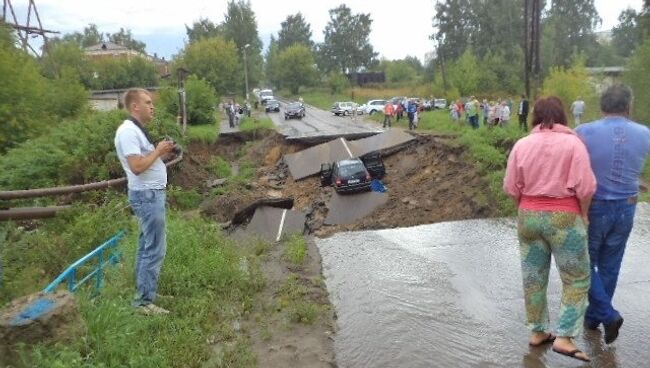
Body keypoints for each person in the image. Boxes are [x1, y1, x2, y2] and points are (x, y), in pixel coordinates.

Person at [503, 96, 596, 363]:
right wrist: (584, 213)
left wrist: (526, 208)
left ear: (534, 117)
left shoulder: (522, 144)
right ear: (563, 116)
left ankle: (537, 331)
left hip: (528, 215)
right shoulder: (573, 144)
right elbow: (587, 187)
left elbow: (511, 187)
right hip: (565, 217)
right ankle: (565, 337)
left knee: (533, 276)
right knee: (576, 278)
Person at [575, 84, 650, 344]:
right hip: (628, 206)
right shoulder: (644, 133)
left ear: (601, 106)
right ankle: (593, 318)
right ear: (628, 106)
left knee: (584, 263)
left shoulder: (583, 132)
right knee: (610, 265)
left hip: (595, 207)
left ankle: (607, 315)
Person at [114, 88, 177, 315]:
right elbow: (137, 167)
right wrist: (158, 150)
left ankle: (145, 292)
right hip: (147, 196)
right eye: (148, 102)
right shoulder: (128, 132)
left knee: (146, 246)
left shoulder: (137, 131)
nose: (153, 107)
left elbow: (145, 160)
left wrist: (162, 153)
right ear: (135, 107)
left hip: (150, 195)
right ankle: (143, 303)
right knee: (155, 249)